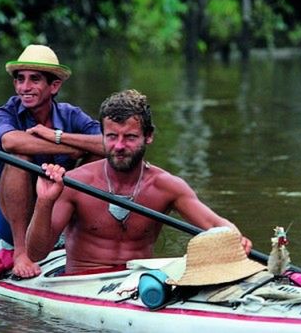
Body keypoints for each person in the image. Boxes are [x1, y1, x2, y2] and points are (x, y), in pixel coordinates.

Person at [26, 89, 252, 274]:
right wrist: (44, 202)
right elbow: (36, 254)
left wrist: (234, 237)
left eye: (130, 137)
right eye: (112, 137)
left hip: (137, 286)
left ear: (149, 136)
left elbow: (214, 225)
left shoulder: (166, 186)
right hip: (80, 283)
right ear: (102, 136)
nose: (120, 146)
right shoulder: (76, 183)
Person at [0, 44, 104, 278]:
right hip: (11, 221)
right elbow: (10, 142)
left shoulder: (72, 114)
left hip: (57, 213)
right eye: (20, 79)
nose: (25, 87)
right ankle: (21, 252)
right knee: (20, 157)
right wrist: (71, 148)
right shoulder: (5, 112)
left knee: (99, 156)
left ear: (54, 86)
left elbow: (109, 143)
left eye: (34, 80)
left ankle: (83, 235)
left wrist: (58, 136)